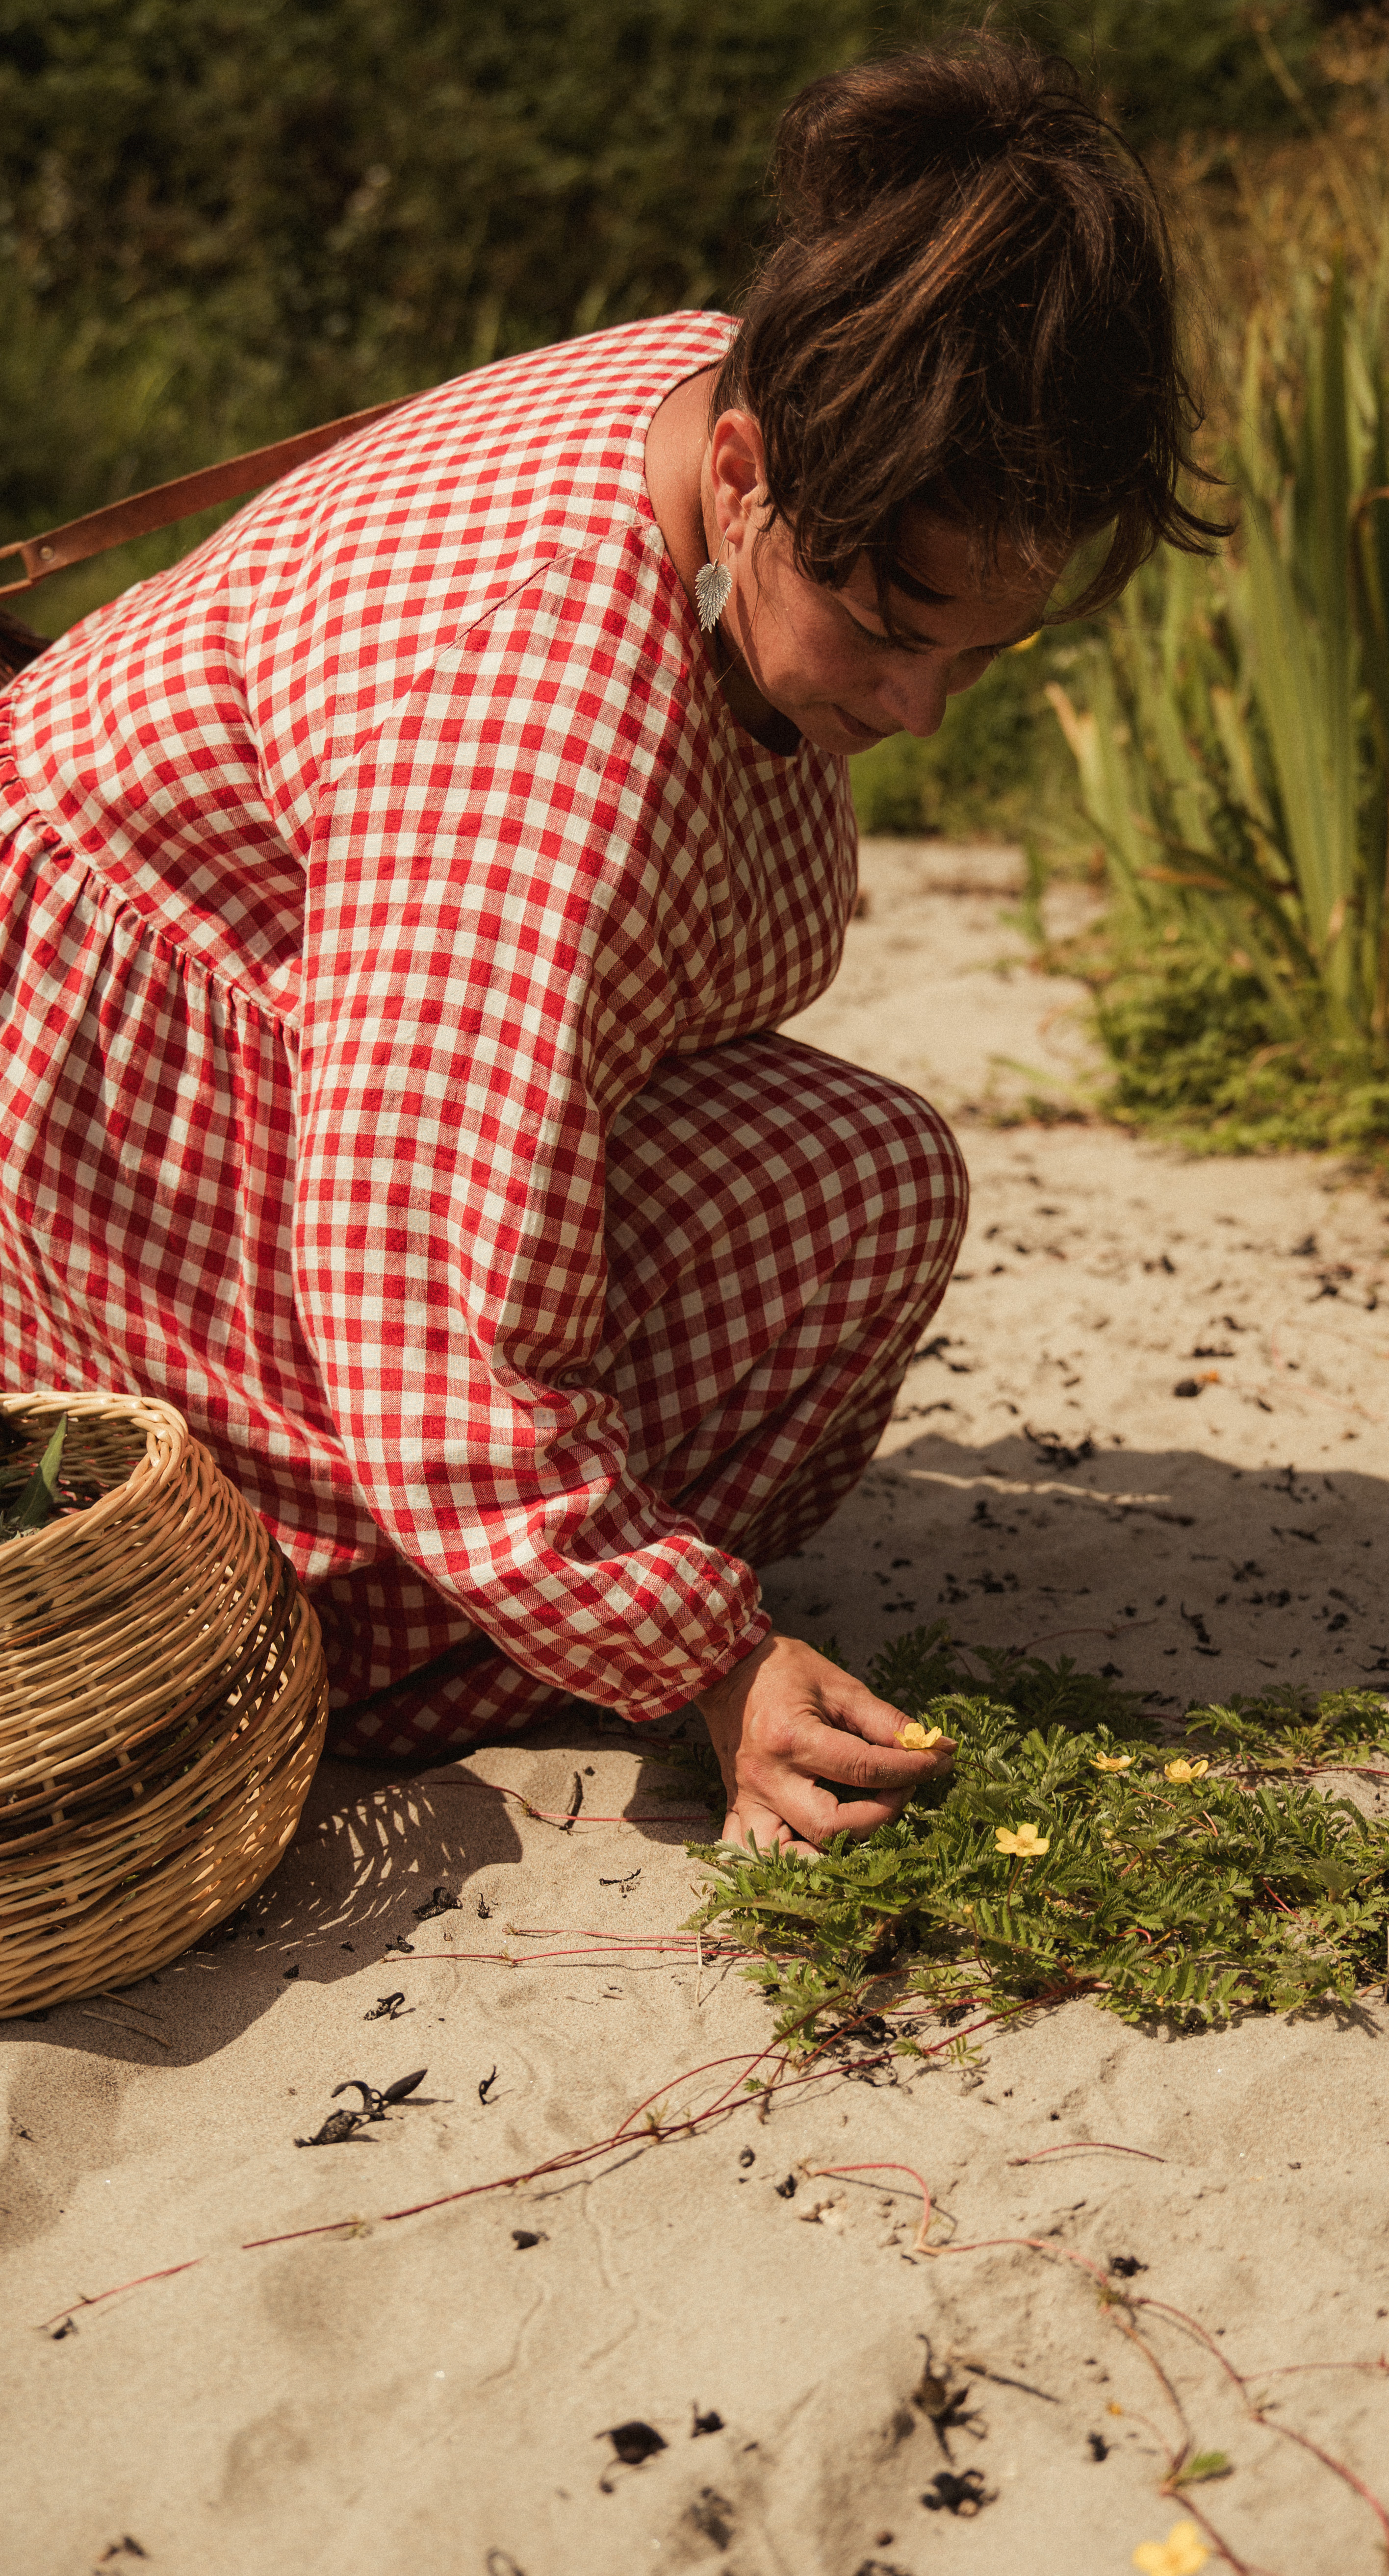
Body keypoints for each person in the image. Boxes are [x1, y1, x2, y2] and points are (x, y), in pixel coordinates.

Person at [0, 34, 1214, 1853]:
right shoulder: (534, 716)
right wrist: (703, 1658)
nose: (926, 707)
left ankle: (512, 1593)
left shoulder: (747, 380)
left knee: (862, 1184)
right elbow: (422, 1303)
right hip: (109, 1130)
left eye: (985, 653)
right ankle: (377, 1654)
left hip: (282, 1039)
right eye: (893, 629)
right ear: (746, 472)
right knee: (810, 1220)